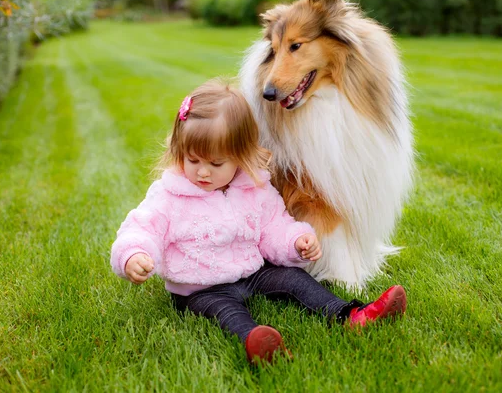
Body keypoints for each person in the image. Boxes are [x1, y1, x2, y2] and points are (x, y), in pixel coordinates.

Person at [110, 79, 407, 363]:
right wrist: (135, 254)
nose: (202, 173)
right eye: (193, 160)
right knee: (226, 312)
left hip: (252, 271)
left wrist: (295, 240)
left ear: (240, 157)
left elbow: (273, 225)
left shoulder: (253, 188)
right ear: (179, 152)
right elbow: (142, 228)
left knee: (295, 280)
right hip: (200, 287)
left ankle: (350, 315)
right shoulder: (170, 195)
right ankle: (258, 341)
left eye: (216, 163)